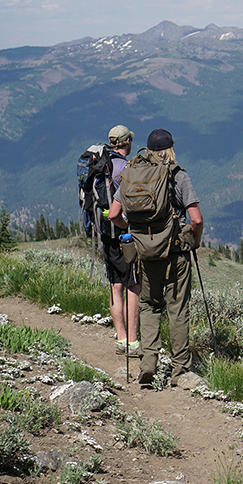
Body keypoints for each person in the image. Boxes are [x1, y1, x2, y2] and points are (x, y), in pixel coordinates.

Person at [109, 128, 204, 386]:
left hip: (145, 254)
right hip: (176, 252)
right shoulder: (178, 176)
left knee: (150, 305)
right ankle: (180, 370)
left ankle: (147, 365)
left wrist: (132, 230)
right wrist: (193, 241)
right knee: (177, 308)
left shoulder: (132, 174)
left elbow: (114, 214)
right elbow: (195, 219)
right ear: (171, 148)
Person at [104, 125, 141, 358]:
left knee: (115, 285)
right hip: (124, 233)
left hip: (105, 233)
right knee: (133, 285)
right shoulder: (125, 168)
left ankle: (120, 338)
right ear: (127, 142)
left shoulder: (102, 165)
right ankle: (134, 342)